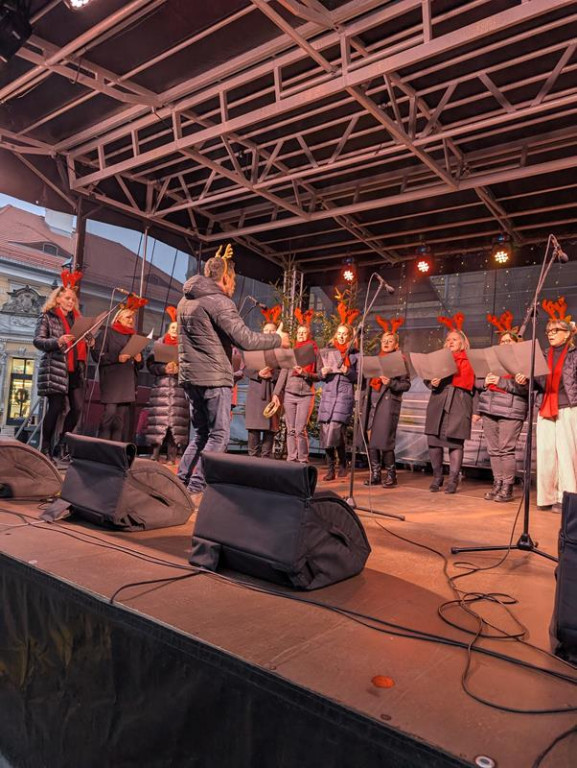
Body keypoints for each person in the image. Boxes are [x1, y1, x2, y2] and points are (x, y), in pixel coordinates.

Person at [177, 244, 289, 499]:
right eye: (235, 279)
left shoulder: (186, 300)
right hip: (214, 380)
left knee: (201, 435)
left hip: (191, 379)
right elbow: (246, 340)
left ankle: (179, 483)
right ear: (225, 277)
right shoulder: (219, 301)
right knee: (219, 435)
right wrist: (278, 339)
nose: (235, 284)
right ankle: (196, 488)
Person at [33, 270, 89, 461]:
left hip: (74, 370)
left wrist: (89, 341)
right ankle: (45, 447)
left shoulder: (77, 319)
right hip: (56, 368)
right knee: (56, 408)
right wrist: (58, 341)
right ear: (57, 299)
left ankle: (62, 445)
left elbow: (81, 341)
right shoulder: (48, 316)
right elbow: (38, 341)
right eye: (66, 298)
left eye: (73, 299)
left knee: (77, 409)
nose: (70, 302)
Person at [476, 312, 528, 503]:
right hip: (489, 407)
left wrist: (502, 382)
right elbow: (476, 382)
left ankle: (507, 487)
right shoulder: (492, 360)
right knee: (493, 449)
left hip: (511, 409)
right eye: (503, 340)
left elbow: (527, 389)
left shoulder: (523, 361)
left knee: (506, 449)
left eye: (509, 341)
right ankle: (497, 483)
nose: (505, 343)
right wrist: (484, 382)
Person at [425, 313, 475, 494]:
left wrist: (476, 411)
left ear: (462, 342)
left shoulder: (471, 360)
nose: (450, 342)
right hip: (438, 400)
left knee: (455, 443)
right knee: (434, 441)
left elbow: (475, 388)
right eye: (448, 340)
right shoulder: (438, 358)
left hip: (459, 402)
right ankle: (437, 477)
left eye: (454, 339)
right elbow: (427, 377)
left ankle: (453, 480)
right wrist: (432, 382)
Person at [535, 297, 577, 512]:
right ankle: (547, 497)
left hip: (568, 409)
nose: (550, 334)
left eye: (555, 330)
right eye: (548, 331)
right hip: (545, 409)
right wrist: (527, 377)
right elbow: (541, 384)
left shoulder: (574, 354)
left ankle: (566, 498)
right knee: (546, 454)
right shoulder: (543, 355)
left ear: (568, 333)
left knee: (567, 456)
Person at [361, 316, 411, 488]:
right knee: (371, 438)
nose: (387, 343)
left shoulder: (399, 360)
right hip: (372, 401)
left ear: (396, 345)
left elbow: (406, 384)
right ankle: (375, 474)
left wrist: (390, 383)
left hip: (388, 403)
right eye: (384, 340)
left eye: (390, 341)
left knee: (385, 440)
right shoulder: (376, 359)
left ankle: (391, 475)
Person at [92, 297, 146, 442]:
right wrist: (117, 358)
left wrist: (140, 360)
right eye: (128, 317)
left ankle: (115, 450)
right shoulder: (107, 334)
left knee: (120, 420)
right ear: (119, 318)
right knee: (109, 415)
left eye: (133, 318)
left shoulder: (133, 337)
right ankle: (102, 446)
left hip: (127, 381)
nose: (131, 320)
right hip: (112, 381)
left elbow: (140, 366)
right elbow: (97, 355)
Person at [317, 302, 359, 481]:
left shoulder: (355, 355)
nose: (341, 337)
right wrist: (322, 372)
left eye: (345, 335)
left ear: (350, 336)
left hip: (344, 394)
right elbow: (320, 374)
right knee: (326, 430)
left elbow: (359, 378)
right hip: (328, 393)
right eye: (339, 334)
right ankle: (331, 468)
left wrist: (347, 371)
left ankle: (342, 461)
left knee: (335, 429)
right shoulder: (328, 352)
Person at [271, 309, 319, 463]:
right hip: (290, 393)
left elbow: (319, 375)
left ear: (308, 335)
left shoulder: (314, 353)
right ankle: (291, 458)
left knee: (300, 429)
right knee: (290, 429)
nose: (301, 334)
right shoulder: (291, 352)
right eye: (299, 332)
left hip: (306, 394)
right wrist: (276, 393)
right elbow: (284, 373)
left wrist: (304, 372)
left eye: (304, 332)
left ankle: (303, 459)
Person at [146, 306, 190, 464]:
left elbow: (192, 368)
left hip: (179, 390)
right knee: (158, 422)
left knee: (176, 424)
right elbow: (150, 365)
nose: (174, 330)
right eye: (172, 327)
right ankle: (155, 453)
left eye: (177, 328)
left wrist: (180, 370)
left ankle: (172, 455)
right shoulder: (159, 344)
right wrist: (164, 368)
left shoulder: (186, 347)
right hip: (161, 389)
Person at [244, 306, 282, 459]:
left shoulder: (280, 351)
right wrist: (259, 373)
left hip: (272, 392)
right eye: (266, 331)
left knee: (269, 428)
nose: (269, 333)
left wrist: (272, 374)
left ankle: (266, 459)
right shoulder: (254, 349)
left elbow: (285, 371)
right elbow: (246, 369)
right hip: (256, 391)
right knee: (254, 427)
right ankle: (252, 459)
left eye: (272, 331)